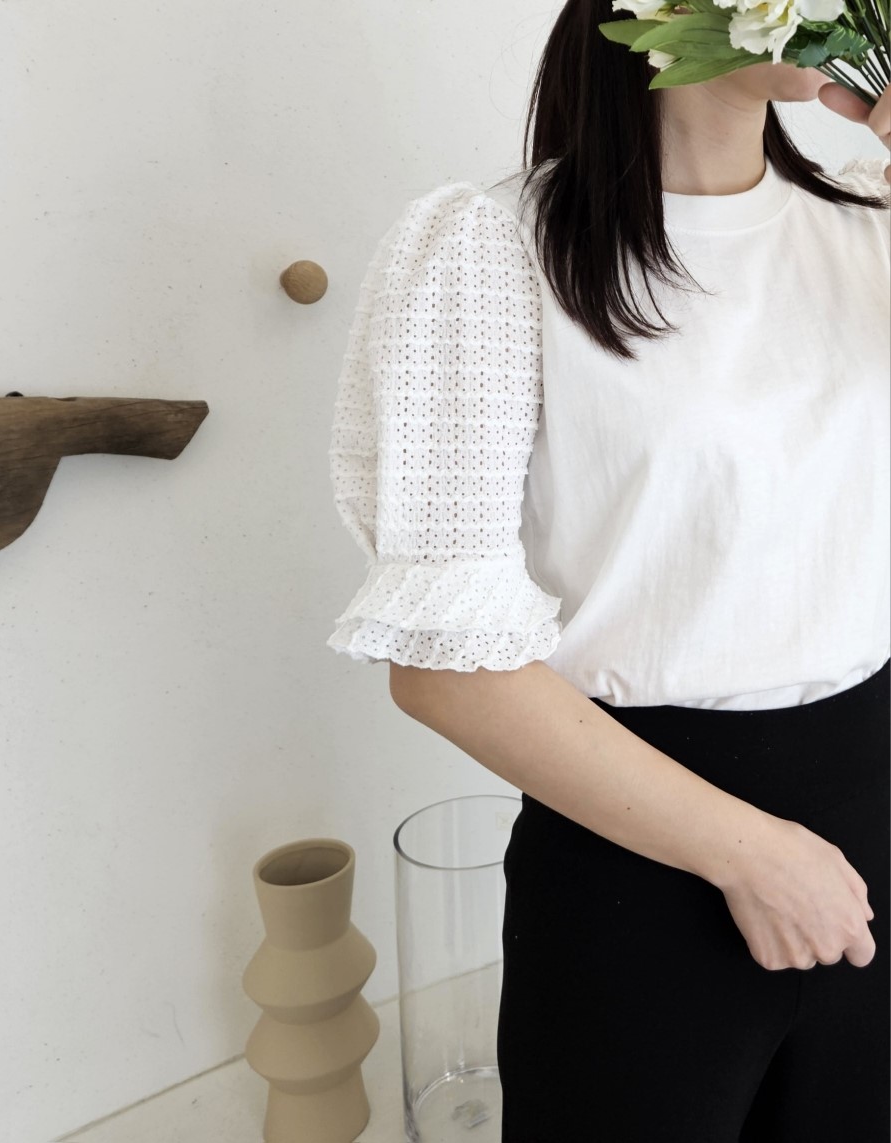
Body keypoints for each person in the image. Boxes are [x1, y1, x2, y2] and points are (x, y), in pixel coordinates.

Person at [325, 2, 890, 1139]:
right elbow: (445, 669)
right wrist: (751, 855)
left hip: (873, 803)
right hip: (638, 857)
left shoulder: (864, 226)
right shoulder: (494, 253)